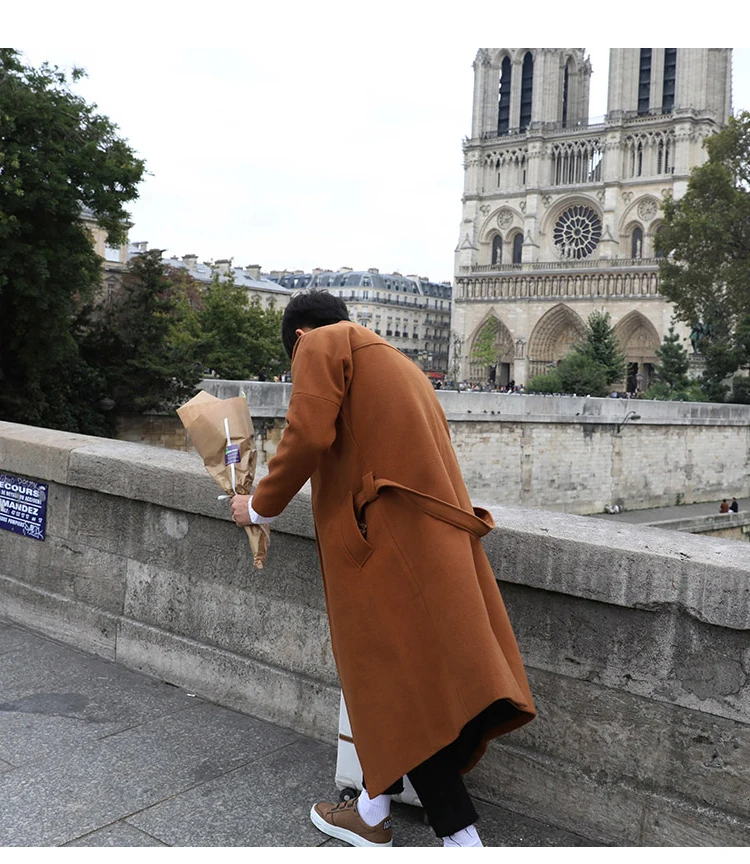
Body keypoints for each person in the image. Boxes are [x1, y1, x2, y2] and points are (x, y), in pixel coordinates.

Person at [230, 290, 535, 848]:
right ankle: (371, 811)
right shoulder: (398, 361)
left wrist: (257, 505)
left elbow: (307, 436)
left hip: (384, 547)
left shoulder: (320, 341)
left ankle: (462, 841)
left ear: (299, 337)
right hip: (430, 542)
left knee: (401, 690)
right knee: (400, 683)